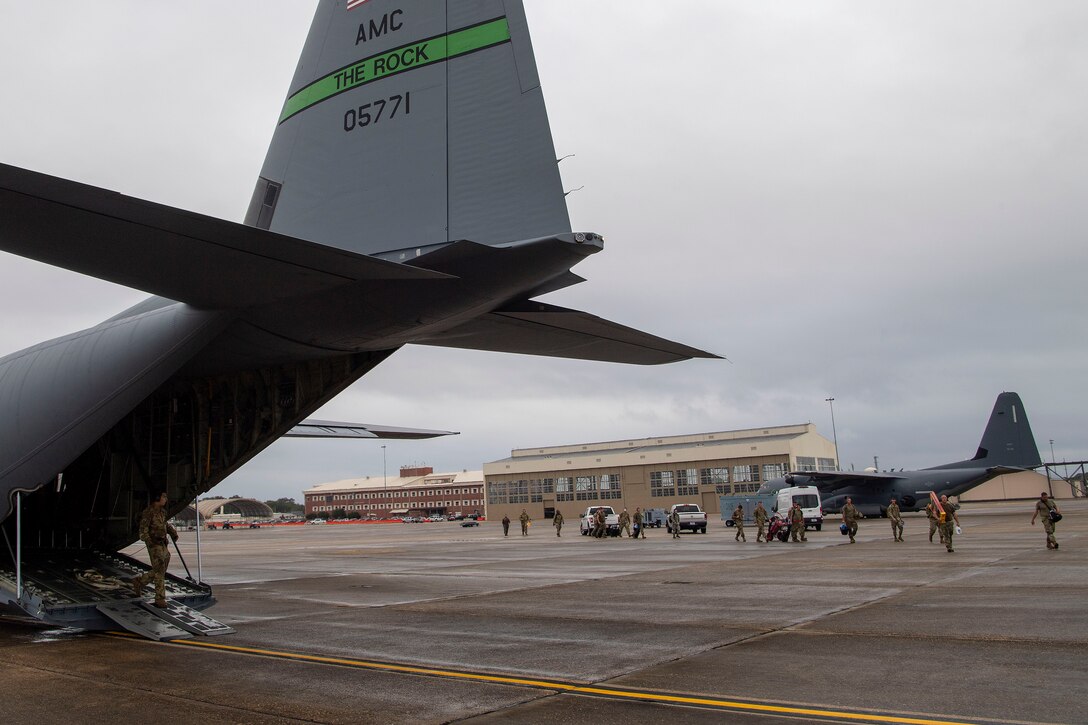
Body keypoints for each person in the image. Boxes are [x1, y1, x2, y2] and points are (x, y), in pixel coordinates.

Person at [130, 491, 178, 608]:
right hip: (154, 544)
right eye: (164, 497)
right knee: (160, 570)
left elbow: (164, 524)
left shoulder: (162, 512)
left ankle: (140, 582)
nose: (166, 499)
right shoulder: (148, 512)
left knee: (160, 570)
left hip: (162, 544)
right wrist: (148, 541)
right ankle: (160, 598)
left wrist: (172, 532)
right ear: (157, 498)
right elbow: (143, 528)